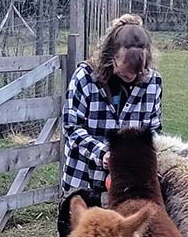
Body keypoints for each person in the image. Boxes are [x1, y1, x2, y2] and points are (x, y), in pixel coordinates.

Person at [62, 14, 162, 205]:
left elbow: (154, 129)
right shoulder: (85, 77)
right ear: (111, 56)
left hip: (128, 184)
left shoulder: (153, 81)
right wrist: (103, 153)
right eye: (126, 69)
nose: (132, 76)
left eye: (137, 71)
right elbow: (71, 127)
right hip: (84, 179)